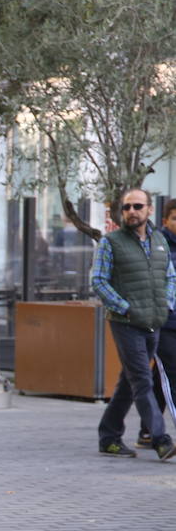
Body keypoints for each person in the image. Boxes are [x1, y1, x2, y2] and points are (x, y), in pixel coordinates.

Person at [93, 188, 176, 459]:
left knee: (129, 382)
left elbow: (170, 276)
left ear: (149, 210)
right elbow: (99, 281)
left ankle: (109, 434)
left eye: (137, 206)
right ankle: (160, 439)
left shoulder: (159, 241)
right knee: (142, 379)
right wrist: (125, 308)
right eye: (126, 207)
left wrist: (166, 302)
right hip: (125, 323)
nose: (131, 211)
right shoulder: (111, 242)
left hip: (154, 320)